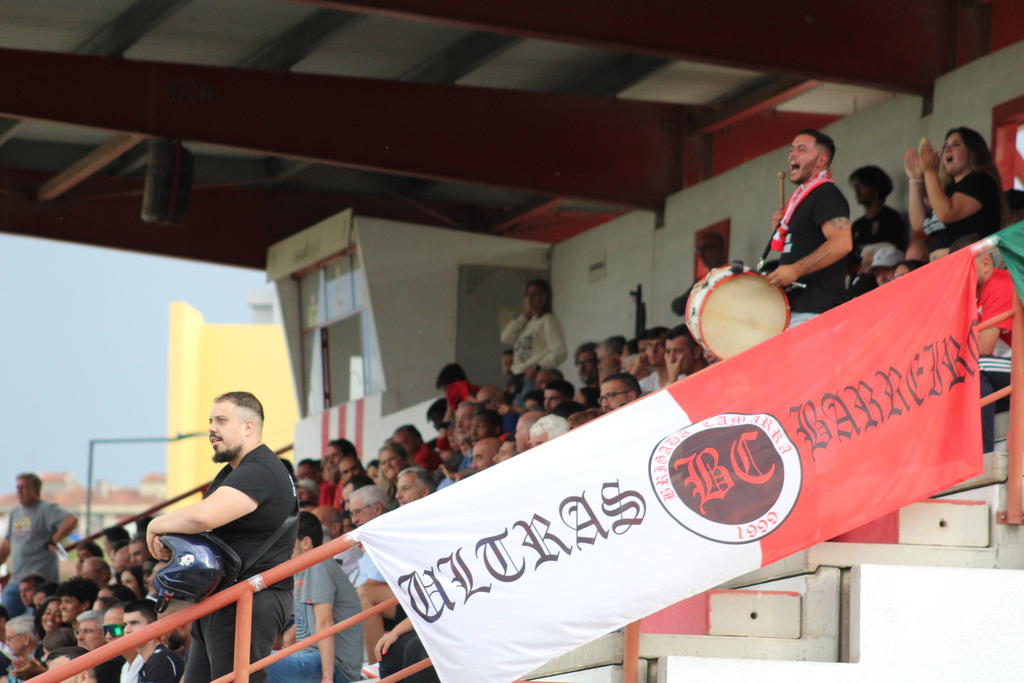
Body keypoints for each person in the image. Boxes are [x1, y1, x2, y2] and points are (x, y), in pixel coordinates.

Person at [146, 392, 297, 683]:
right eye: (210, 421)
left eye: (221, 420)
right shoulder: (239, 470)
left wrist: (155, 525)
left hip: (248, 598)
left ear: (248, 427)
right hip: (228, 597)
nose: (211, 429)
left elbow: (202, 517)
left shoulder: (260, 470)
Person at [765, 129, 853, 325]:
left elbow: (842, 243)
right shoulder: (801, 200)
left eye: (801, 149)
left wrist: (795, 270)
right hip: (796, 311)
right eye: (791, 150)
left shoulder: (826, 194)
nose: (792, 155)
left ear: (821, 160)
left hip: (816, 312)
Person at [267, 512, 362, 683]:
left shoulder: (318, 565)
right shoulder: (303, 570)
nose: (280, 547)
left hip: (334, 667)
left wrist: (327, 678)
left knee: (252, 664)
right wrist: (291, 634)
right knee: (249, 660)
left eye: (286, 541)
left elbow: (325, 622)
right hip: (313, 657)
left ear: (306, 542)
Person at [905, 127, 1006, 256]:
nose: (947, 149)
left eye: (956, 144)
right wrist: (915, 179)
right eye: (945, 146)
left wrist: (930, 171)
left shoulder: (980, 180)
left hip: (968, 261)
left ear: (973, 152)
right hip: (943, 262)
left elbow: (947, 213)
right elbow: (919, 224)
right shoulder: (948, 190)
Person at [0, 474, 78, 618]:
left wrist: (54, 539)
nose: (19, 491)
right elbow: (6, 543)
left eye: (24, 487)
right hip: (17, 579)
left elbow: (71, 520)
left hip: (40, 581)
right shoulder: (15, 512)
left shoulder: (46, 509)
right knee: (4, 616)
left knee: (38, 618)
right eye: (18, 488)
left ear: (36, 490)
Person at [500, 279, 568, 379]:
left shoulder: (547, 320)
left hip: (533, 376)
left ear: (544, 298)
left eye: (535, 295)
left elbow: (560, 352)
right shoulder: (525, 323)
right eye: (528, 294)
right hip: (517, 375)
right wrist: (524, 317)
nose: (530, 298)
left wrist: (537, 367)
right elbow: (505, 338)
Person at [849, 165, 908, 253]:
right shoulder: (857, 225)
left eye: (861, 186)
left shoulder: (892, 219)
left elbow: (893, 251)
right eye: (855, 187)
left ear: (875, 188)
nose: (857, 191)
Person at [123, 600, 183, 683]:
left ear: (153, 625)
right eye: (125, 625)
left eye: (134, 623)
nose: (127, 630)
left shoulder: (161, 660)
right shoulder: (148, 662)